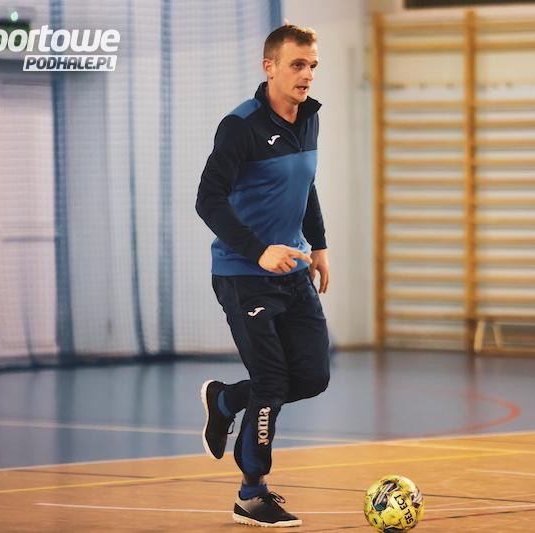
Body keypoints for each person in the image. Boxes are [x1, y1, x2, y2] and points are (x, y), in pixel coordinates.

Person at [194, 24, 330, 528]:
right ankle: (251, 493)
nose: (307, 74)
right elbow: (208, 199)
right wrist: (258, 251)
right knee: (272, 380)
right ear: (269, 67)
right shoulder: (241, 126)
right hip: (243, 274)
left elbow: (304, 185)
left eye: (312, 65)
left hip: (293, 270)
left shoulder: (309, 119)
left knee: (311, 377)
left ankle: (227, 398)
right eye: (297, 64)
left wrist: (318, 246)